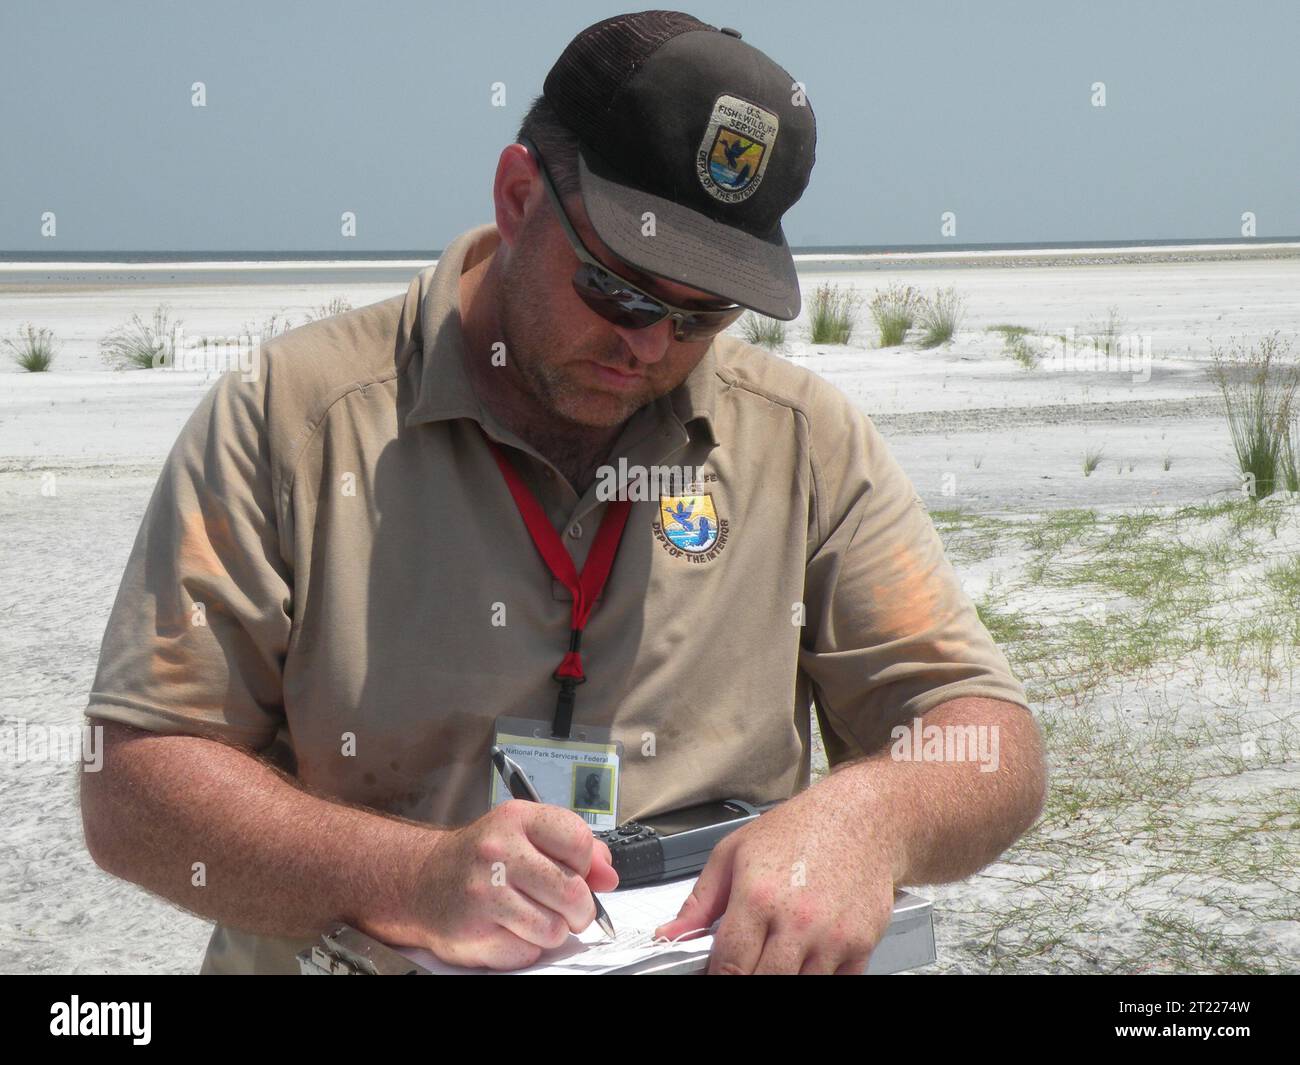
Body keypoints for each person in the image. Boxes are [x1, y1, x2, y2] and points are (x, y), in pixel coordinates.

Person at [80, 10, 1046, 975]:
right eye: (619, 291)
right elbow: (132, 785)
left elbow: (990, 739)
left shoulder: (803, 441)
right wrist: (408, 878)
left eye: (703, 316)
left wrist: (867, 819)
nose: (649, 345)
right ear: (517, 196)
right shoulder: (290, 418)